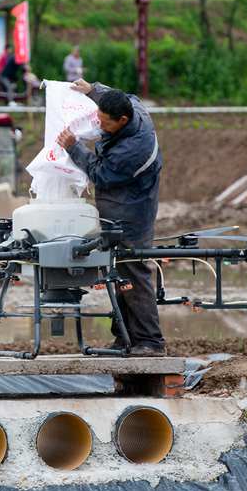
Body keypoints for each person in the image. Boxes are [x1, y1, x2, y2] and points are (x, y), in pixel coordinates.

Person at [56, 78, 165, 357]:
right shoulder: (131, 108)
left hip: (132, 212)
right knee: (119, 274)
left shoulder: (133, 148)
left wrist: (74, 148)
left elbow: (100, 173)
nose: (100, 126)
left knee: (134, 274)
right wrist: (92, 89)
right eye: (99, 119)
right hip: (116, 209)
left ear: (123, 120)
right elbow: (121, 93)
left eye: (106, 123)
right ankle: (125, 337)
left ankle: (151, 342)